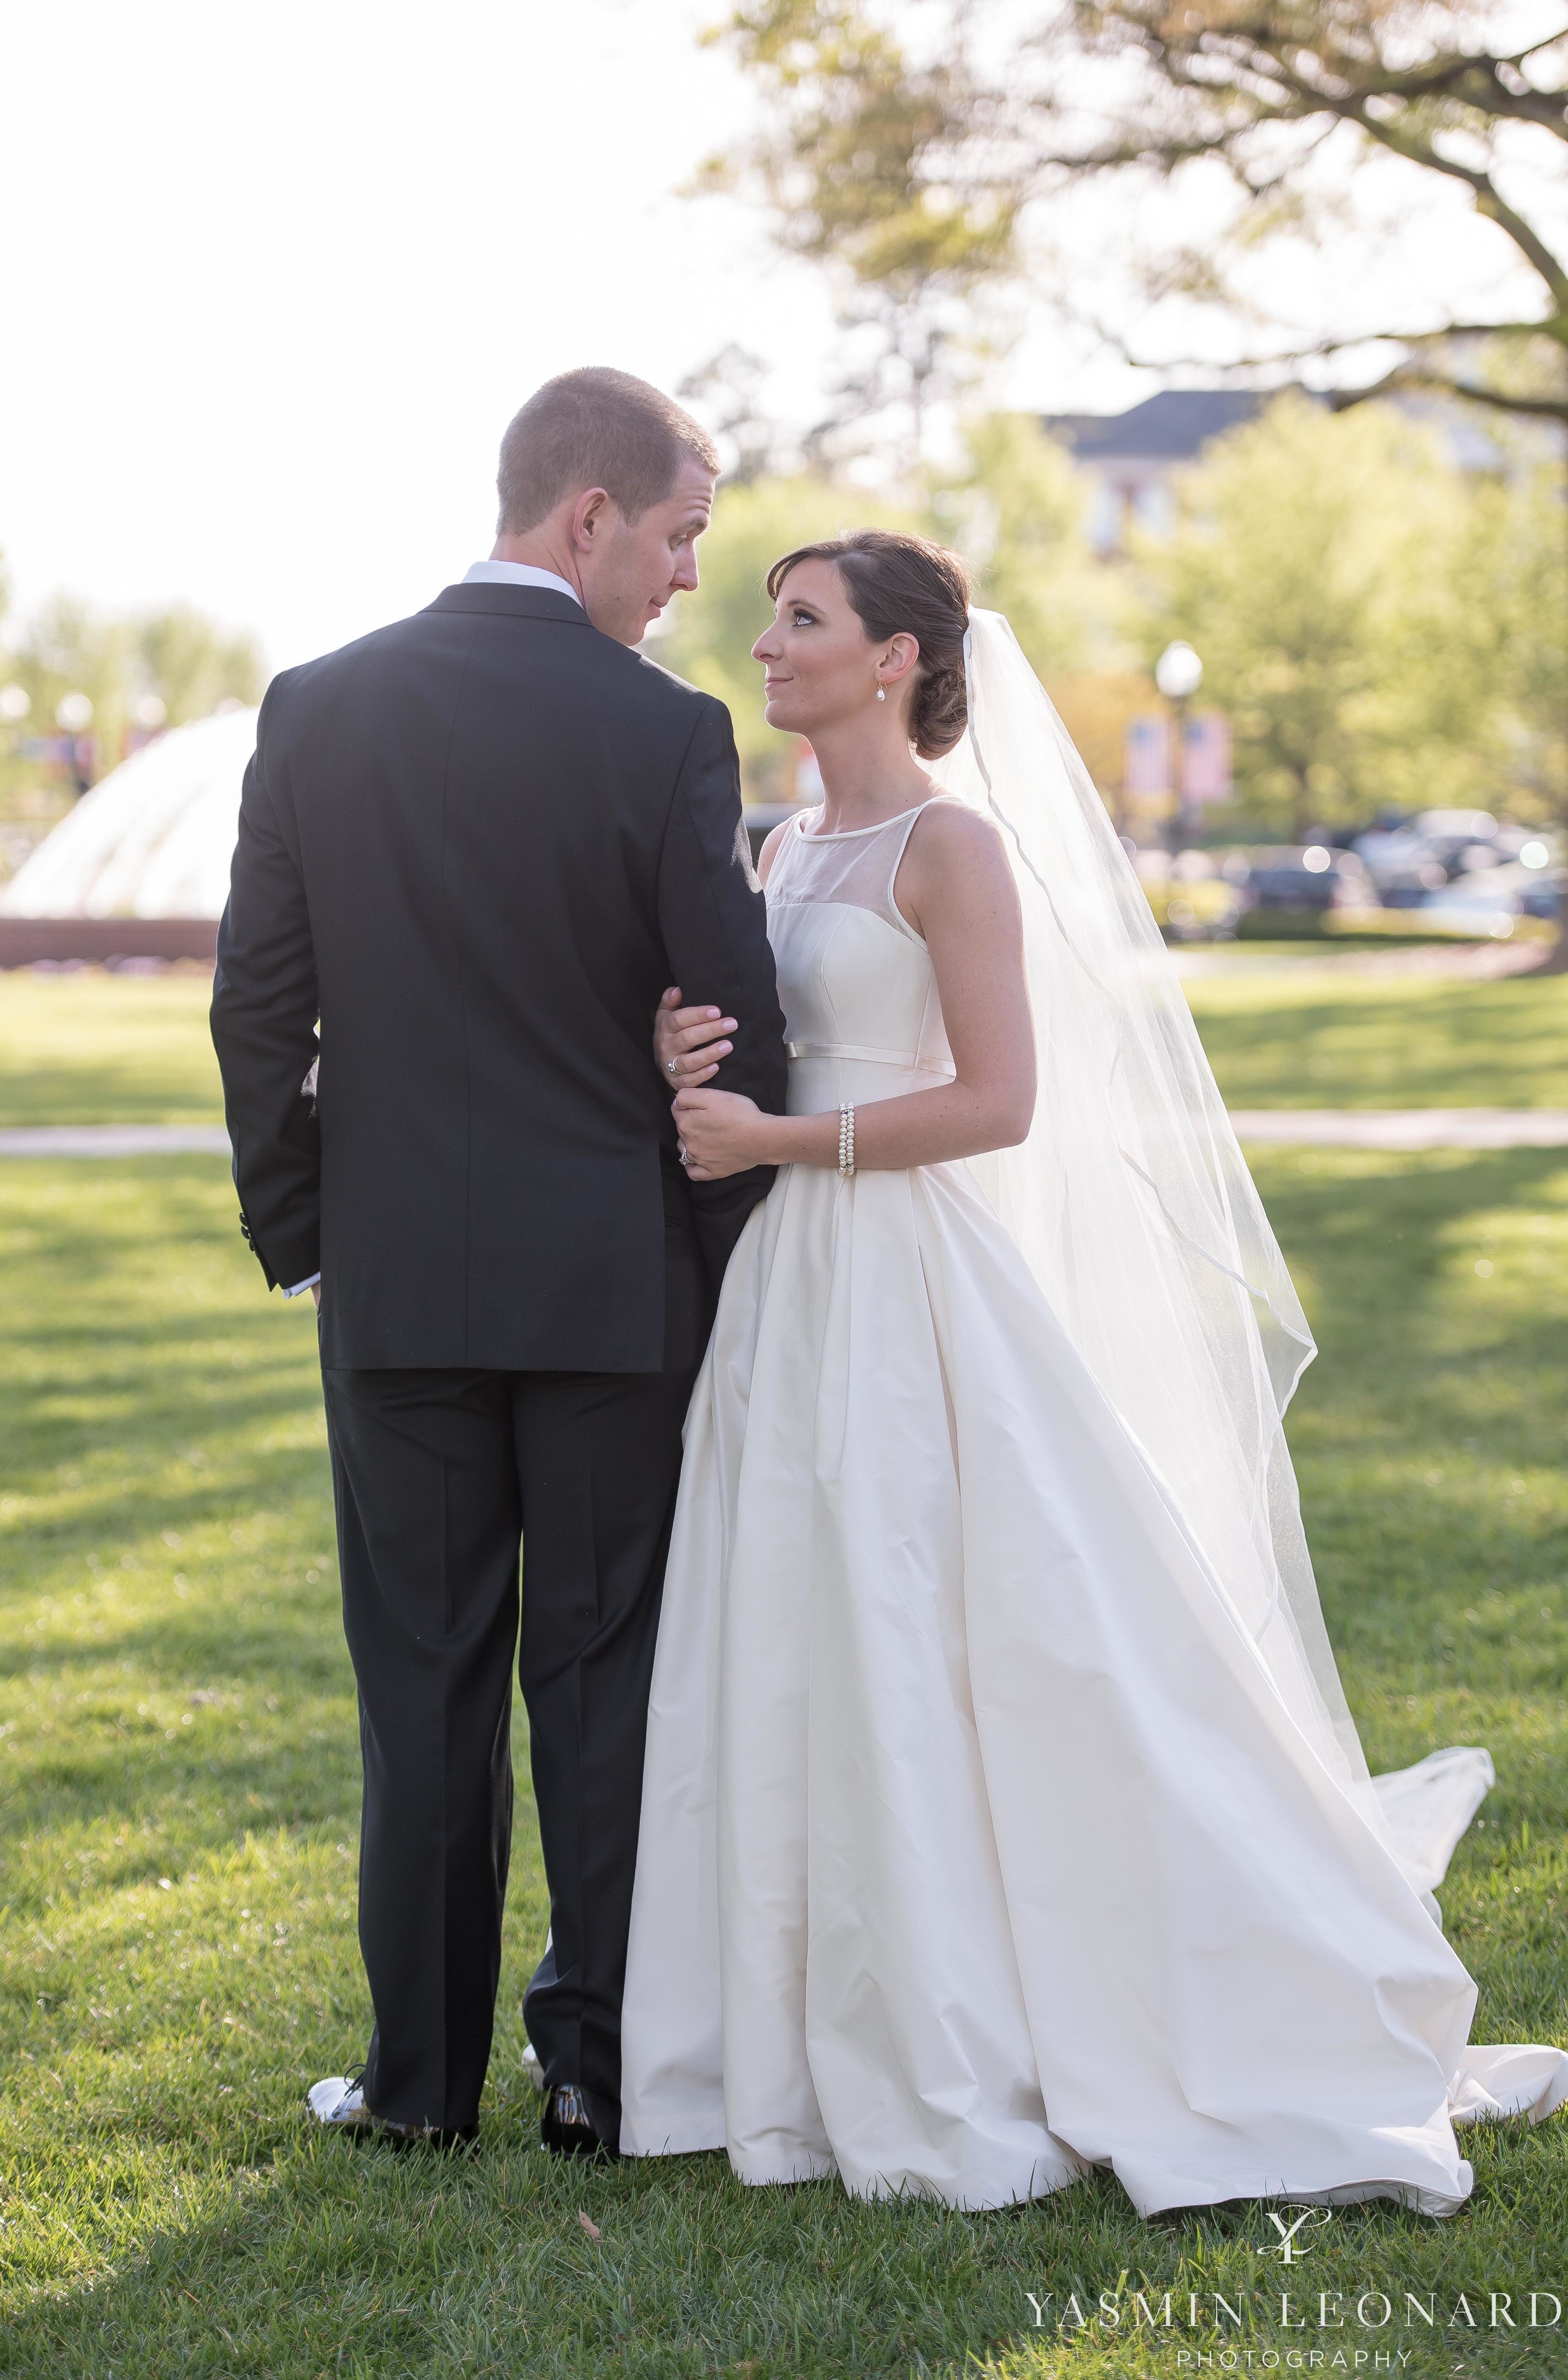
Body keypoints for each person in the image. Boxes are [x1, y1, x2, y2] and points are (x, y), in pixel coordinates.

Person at [620, 528, 1568, 2214]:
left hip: (912, 1276)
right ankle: (800, 2016)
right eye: (769, 617)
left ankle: (1013, 2007)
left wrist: (776, 1128)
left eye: (802, 619)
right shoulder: (788, 844)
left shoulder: (949, 845)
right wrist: (692, 1051)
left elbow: (997, 1101)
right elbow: (785, 1029)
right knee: (806, 1626)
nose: (765, 643)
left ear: (895, 656)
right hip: (790, 1287)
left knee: (955, 1622)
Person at [210, 368, 786, 2158]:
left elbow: (256, 1010)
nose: (691, 579)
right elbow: (733, 1018)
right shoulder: (666, 732)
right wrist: (699, 1246)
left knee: (423, 1685)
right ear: (586, 514)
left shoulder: (319, 706)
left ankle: (414, 2087)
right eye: (680, 534)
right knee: (602, 1680)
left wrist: (312, 1237)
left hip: (398, 1291)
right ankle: (597, 2070)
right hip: (614, 1286)